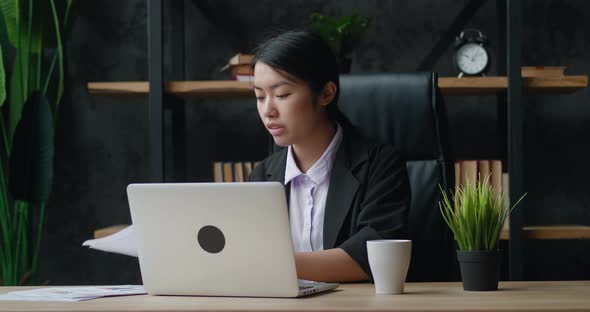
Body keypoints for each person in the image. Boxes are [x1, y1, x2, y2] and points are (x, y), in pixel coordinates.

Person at [249, 30, 410, 283]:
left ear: (326, 94)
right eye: (259, 96)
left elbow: (371, 256)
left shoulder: (380, 165)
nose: (268, 110)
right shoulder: (262, 175)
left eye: (281, 95)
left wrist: (268, 263)